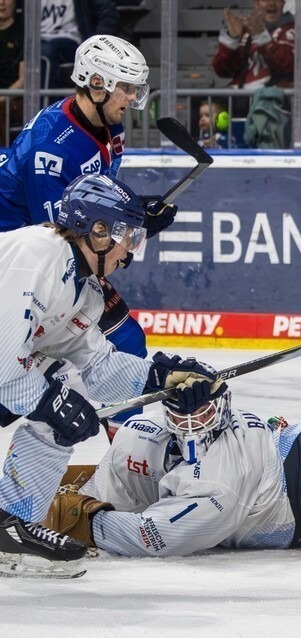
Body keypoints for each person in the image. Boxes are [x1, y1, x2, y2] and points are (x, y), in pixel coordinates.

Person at [0, 174, 223, 578]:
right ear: (97, 229)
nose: (131, 253)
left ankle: (8, 529)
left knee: (65, 409)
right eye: (130, 238)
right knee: (57, 405)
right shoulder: (36, 255)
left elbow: (97, 366)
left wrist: (160, 378)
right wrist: (49, 402)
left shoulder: (85, 290)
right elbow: (2, 362)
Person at [0, 35, 176, 431]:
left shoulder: (106, 124)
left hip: (42, 256)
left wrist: (138, 215)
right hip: (18, 266)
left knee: (123, 342)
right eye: (125, 88)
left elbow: (97, 204)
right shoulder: (51, 148)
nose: (131, 97)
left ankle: (128, 449)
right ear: (96, 83)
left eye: (134, 88)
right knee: (26, 377)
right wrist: (136, 230)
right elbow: (66, 236)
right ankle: (129, 452)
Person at [46, 383, 301, 557]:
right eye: (182, 415)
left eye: (202, 414)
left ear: (222, 408)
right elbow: (108, 489)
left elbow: (152, 538)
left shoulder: (220, 487)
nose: (192, 425)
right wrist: (81, 503)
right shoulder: (137, 433)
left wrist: (85, 521)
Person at [213, 0, 296, 91]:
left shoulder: (292, 31)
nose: (272, 3)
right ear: (256, 3)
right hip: (237, 95)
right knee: (206, 105)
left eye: (277, 0)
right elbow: (222, 71)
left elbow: (287, 68)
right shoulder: (244, 30)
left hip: (270, 97)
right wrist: (232, 39)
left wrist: (262, 38)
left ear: (284, 3)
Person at [39, 0, 120, 89]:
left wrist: (95, 44)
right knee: (35, 51)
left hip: (71, 40)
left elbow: (108, 15)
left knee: (45, 51)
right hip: (36, 40)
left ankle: (51, 102)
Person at [0, 0, 24, 147]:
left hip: (15, 98)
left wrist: (2, 97)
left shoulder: (23, 32)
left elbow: (24, 79)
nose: (2, 2)